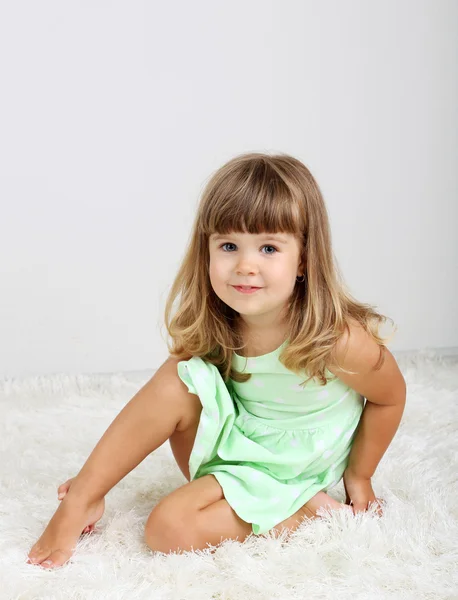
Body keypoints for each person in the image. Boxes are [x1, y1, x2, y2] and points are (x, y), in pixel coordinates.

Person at [27, 152, 406, 569]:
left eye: (268, 248)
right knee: (178, 377)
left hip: (296, 462)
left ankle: (305, 508)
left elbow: (390, 397)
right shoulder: (218, 321)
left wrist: (360, 475)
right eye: (228, 246)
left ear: (303, 259)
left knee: (167, 529)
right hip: (240, 444)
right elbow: (163, 403)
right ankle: (84, 496)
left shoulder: (336, 339)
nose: (245, 265)